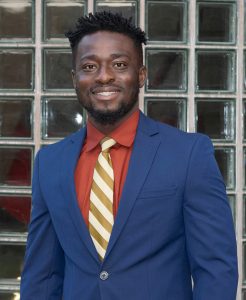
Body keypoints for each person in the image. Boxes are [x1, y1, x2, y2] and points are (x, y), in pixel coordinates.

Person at [20, 11, 238, 300]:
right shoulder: (50, 164)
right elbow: (42, 275)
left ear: (141, 75)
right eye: (89, 66)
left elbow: (216, 270)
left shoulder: (189, 154)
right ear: (75, 78)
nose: (104, 76)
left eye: (120, 64)